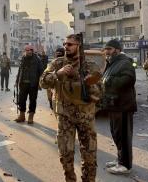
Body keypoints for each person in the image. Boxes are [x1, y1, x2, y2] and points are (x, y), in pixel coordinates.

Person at [40, 34, 103, 182]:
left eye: (70, 44)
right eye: (65, 44)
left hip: (86, 116)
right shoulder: (57, 63)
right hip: (64, 116)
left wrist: (90, 84)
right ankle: (70, 179)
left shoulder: (89, 65)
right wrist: (57, 74)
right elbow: (42, 83)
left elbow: (101, 89)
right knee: (66, 154)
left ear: (78, 46)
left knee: (89, 155)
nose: (66, 47)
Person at [102, 39, 136, 175]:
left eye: (109, 49)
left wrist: (108, 81)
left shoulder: (125, 63)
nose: (106, 52)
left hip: (123, 106)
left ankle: (125, 165)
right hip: (114, 105)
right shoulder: (113, 63)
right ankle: (120, 159)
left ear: (117, 50)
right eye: (105, 49)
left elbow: (129, 80)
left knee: (123, 136)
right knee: (117, 135)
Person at [14, 45, 44, 124]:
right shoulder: (22, 59)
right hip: (23, 83)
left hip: (33, 84)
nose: (29, 52)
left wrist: (40, 82)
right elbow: (19, 71)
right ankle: (22, 116)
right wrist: (17, 82)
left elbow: (41, 71)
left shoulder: (37, 60)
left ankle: (31, 116)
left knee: (33, 100)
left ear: (32, 51)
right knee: (21, 100)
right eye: (27, 50)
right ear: (25, 51)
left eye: (30, 50)